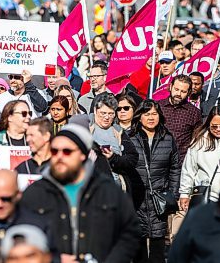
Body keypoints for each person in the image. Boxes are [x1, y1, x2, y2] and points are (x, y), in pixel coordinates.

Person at [20, 124, 140, 262]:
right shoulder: (36, 192)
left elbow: (130, 232)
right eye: (54, 151)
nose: (59, 156)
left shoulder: (107, 190)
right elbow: (22, 235)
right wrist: (53, 259)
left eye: (67, 151)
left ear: (83, 155)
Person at [128, 100, 180, 262]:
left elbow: (175, 168)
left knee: (158, 242)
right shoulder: (130, 137)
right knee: (138, 241)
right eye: (147, 114)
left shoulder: (167, 138)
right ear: (139, 116)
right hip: (137, 198)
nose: (151, 117)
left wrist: (172, 192)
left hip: (160, 198)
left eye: (154, 114)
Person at [91, 93, 138, 192]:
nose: (107, 117)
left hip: (116, 186)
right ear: (95, 111)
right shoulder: (86, 128)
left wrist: (113, 158)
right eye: (103, 113)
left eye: (110, 113)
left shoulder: (118, 132)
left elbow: (132, 159)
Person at [158, 75, 202, 165]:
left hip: (180, 162)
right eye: (176, 89)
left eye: (183, 91)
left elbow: (197, 139)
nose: (178, 94)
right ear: (170, 87)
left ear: (189, 92)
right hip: (157, 159)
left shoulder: (194, 112)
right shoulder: (157, 107)